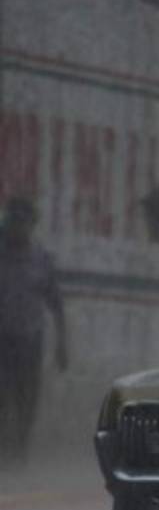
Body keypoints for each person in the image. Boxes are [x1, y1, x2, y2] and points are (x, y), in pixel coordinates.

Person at [0, 197, 68, 470]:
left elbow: (56, 305)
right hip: (2, 340)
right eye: (12, 221)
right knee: (2, 399)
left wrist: (62, 345)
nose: (17, 228)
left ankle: (20, 453)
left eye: (23, 223)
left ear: (31, 225)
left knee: (27, 400)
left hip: (30, 340)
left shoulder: (41, 260)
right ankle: (5, 452)